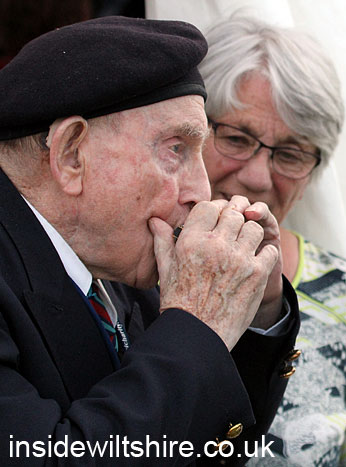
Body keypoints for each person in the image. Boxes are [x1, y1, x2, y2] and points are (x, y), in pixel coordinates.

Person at [0, 15, 301, 465]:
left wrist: (253, 310)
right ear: (71, 153)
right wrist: (197, 325)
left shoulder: (118, 265)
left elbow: (211, 452)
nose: (201, 191)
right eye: (176, 149)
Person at [198, 14, 346, 466]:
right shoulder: (131, 278)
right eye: (236, 138)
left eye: (290, 155)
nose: (257, 177)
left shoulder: (343, 297)